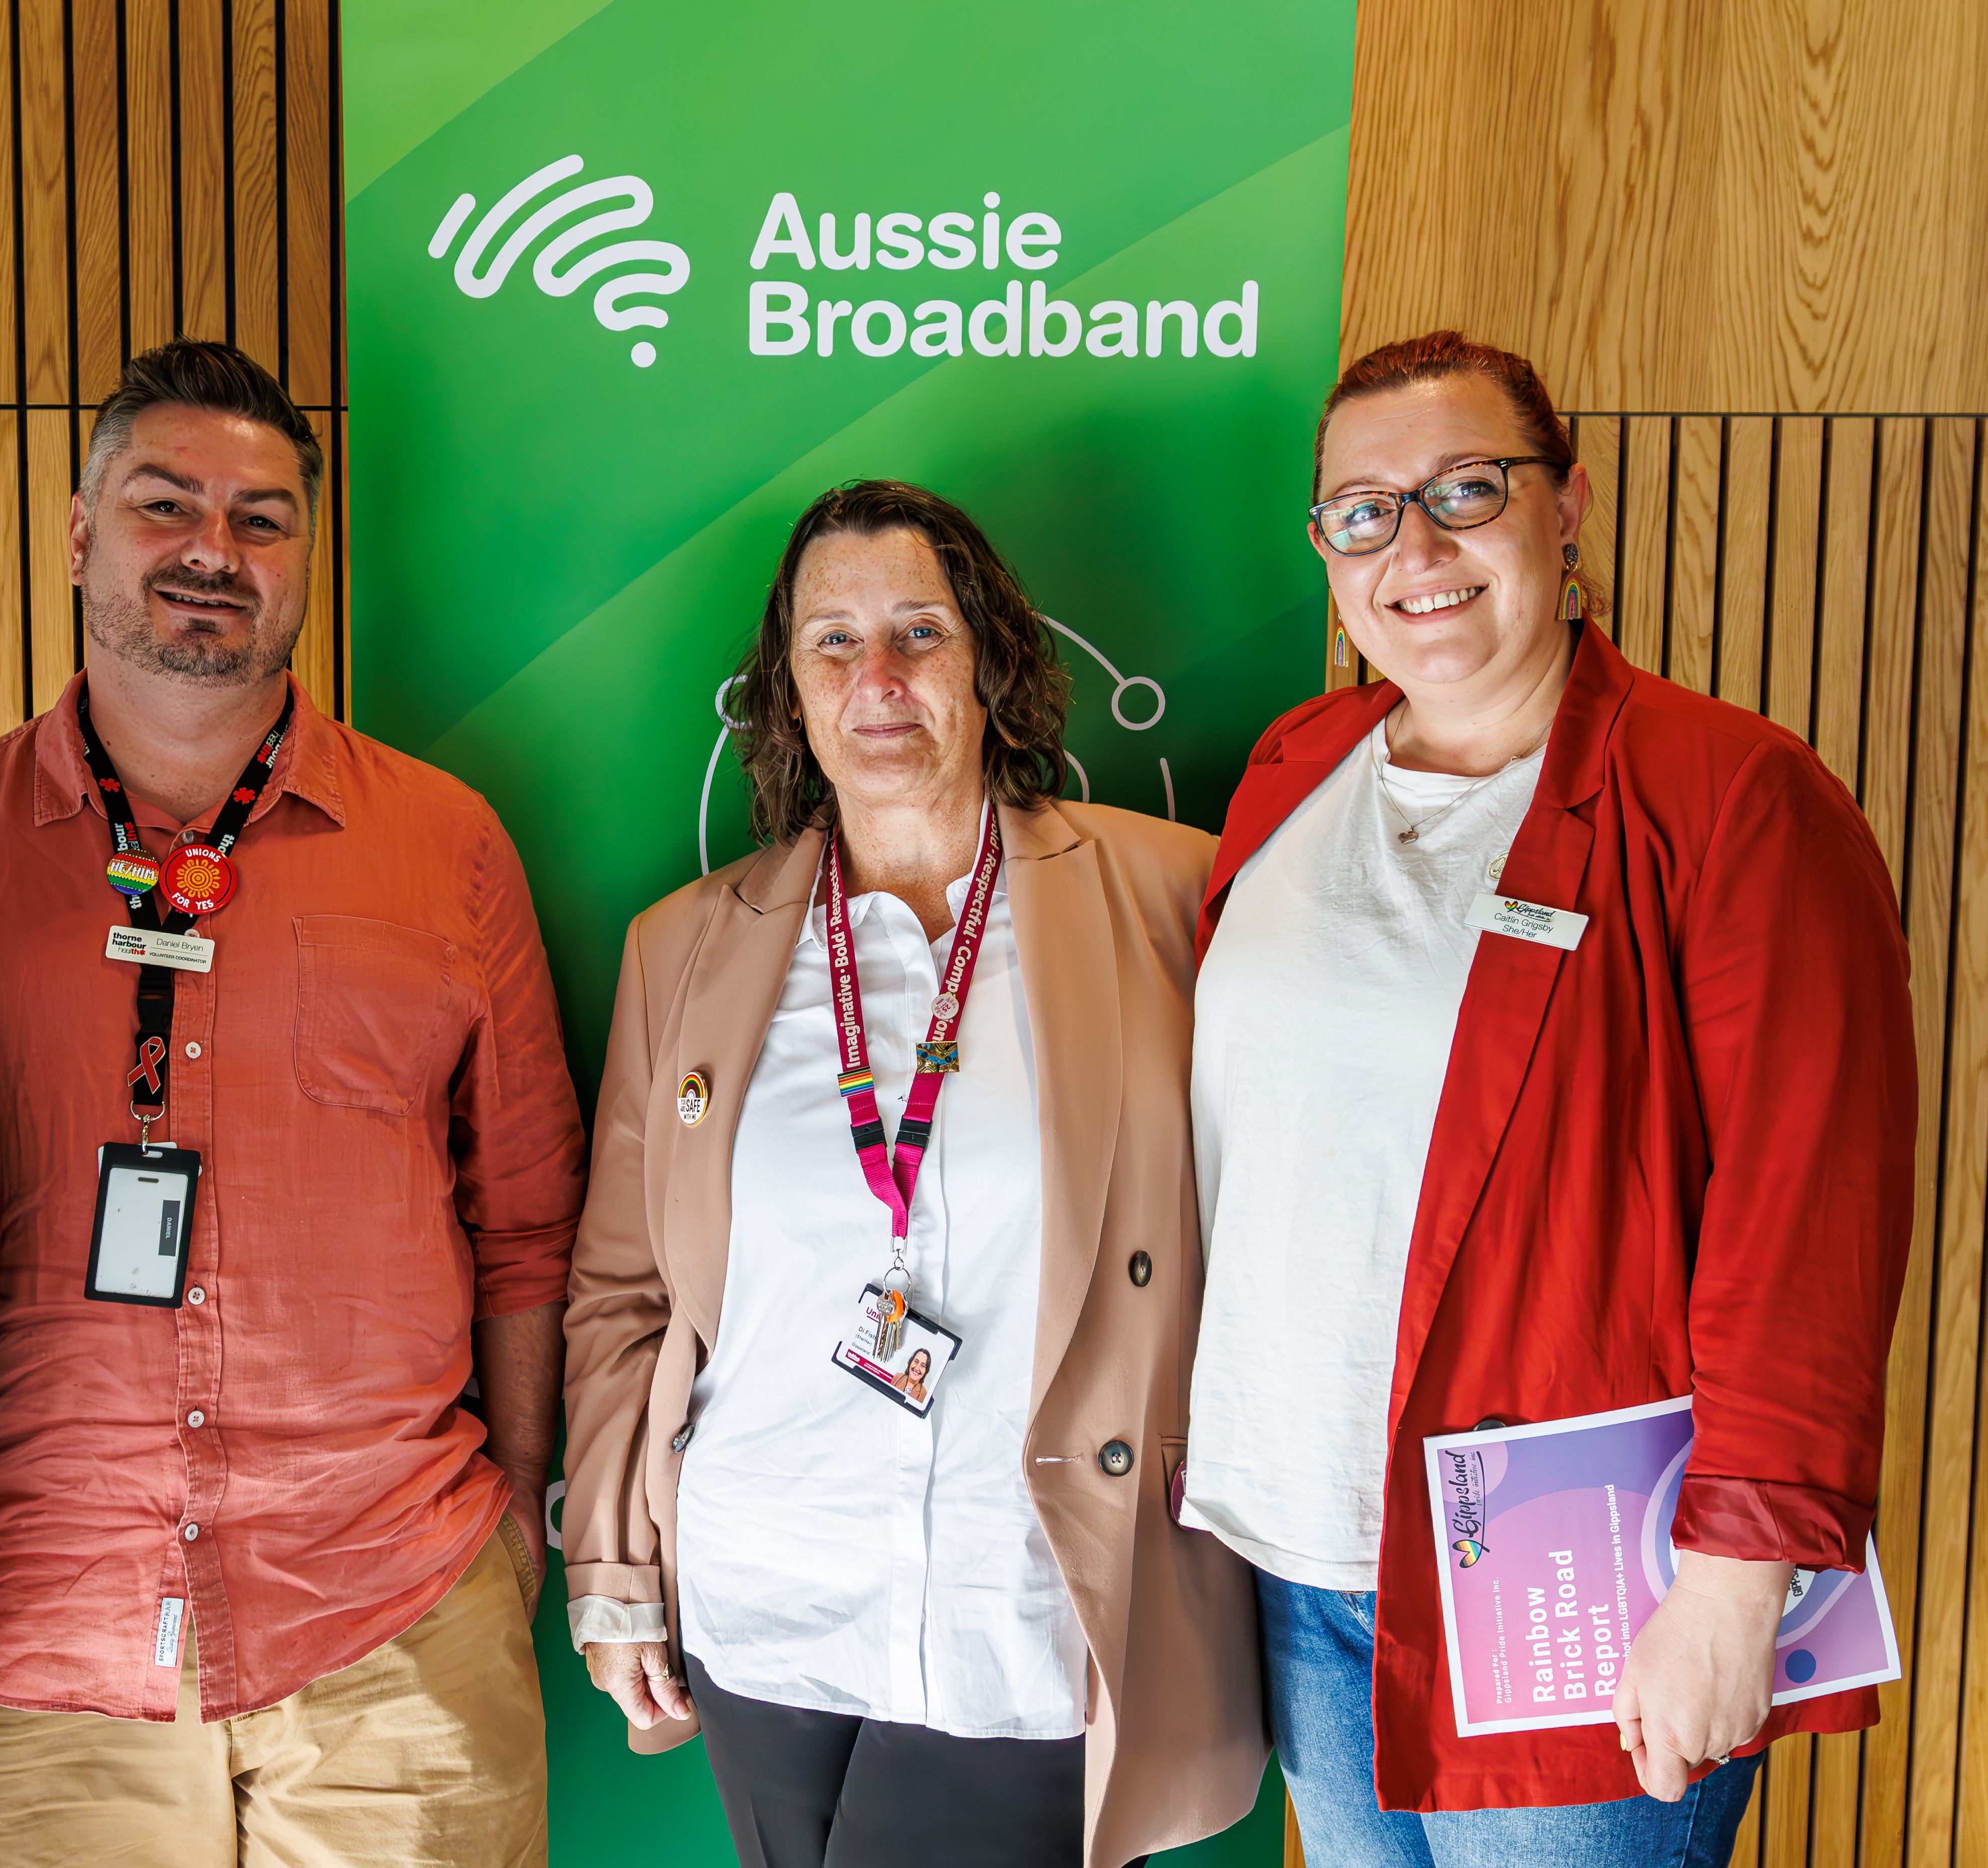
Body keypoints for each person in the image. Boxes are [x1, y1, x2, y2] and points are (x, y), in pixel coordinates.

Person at [0, 338, 586, 1868]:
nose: (209, 553)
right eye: (164, 504)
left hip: (393, 1640)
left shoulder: (445, 847)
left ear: (309, 551)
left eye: (260, 518)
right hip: (33, 1655)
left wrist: (503, 1535)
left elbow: (524, 1218)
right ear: (76, 534)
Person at [1182, 331, 1914, 1865]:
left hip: (1568, 1572)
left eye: (1464, 488)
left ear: (1566, 506)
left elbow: (1809, 1213)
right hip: (1297, 1550)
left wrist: (1733, 1580)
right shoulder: (1293, 765)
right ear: (1323, 546)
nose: (1415, 548)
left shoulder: (1727, 798)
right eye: (1362, 512)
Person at [562, 480, 1266, 1868]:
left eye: (917, 633)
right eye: (830, 643)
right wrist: (611, 1564)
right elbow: (621, 1290)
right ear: (788, 694)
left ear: (990, 665)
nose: (874, 679)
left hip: (1024, 1597)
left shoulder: (1170, 900)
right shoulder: (684, 947)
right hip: (765, 1587)